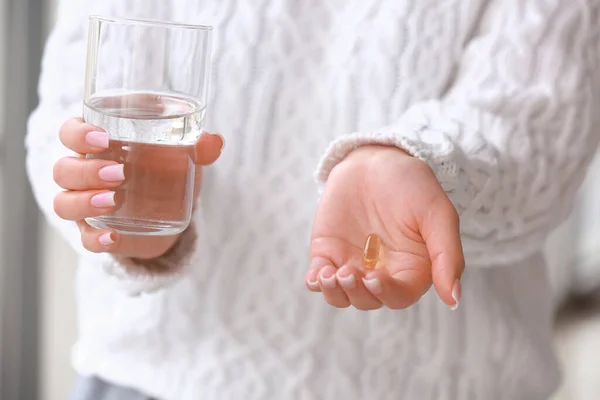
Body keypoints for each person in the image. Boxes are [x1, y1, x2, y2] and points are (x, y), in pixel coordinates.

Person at [25, 0, 600, 399]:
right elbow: (69, 107)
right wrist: (121, 211)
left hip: (431, 385)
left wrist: (420, 163)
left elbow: (538, 126)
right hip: (153, 378)